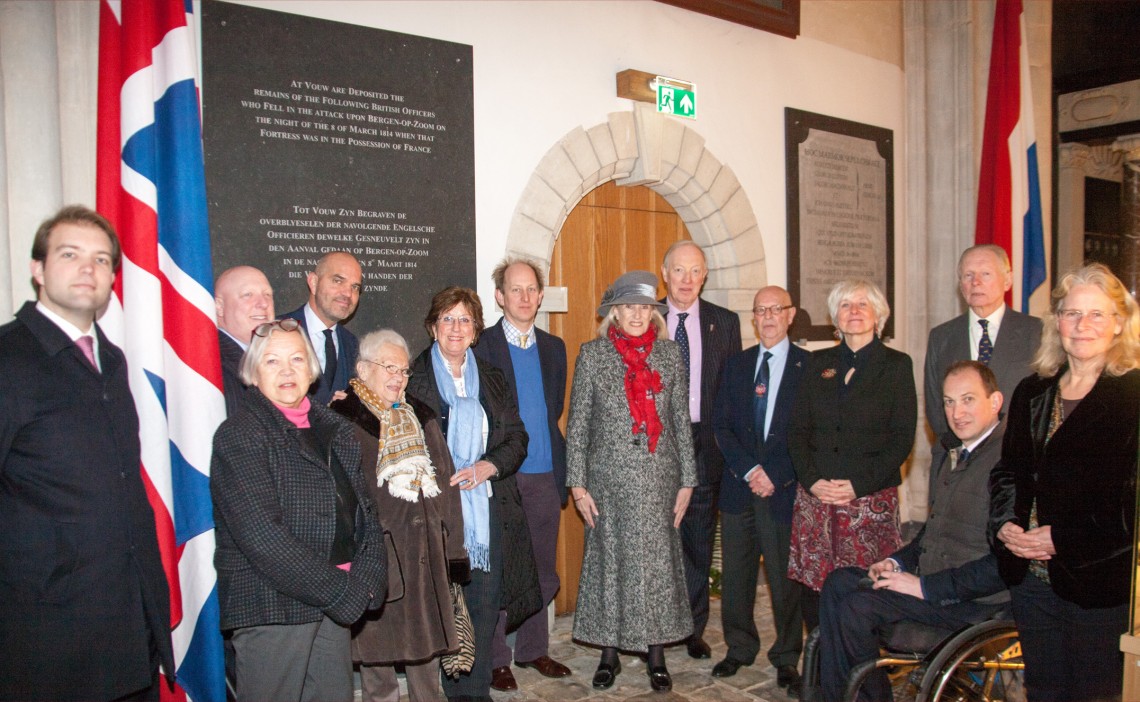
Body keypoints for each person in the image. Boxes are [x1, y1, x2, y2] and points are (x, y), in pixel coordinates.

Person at [0, 206, 174, 701]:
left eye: (102, 260)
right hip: (45, 642)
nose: (88, 270)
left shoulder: (112, 362)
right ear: (38, 269)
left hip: (127, 631)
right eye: (71, 255)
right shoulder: (8, 359)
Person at [211, 318, 386, 702]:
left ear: (311, 370)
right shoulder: (239, 435)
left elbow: (366, 515)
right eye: (272, 361)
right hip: (274, 607)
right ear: (253, 373)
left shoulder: (335, 429)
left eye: (296, 359)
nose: (287, 370)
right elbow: (263, 538)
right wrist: (343, 592)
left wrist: (368, 579)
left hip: (335, 604)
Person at [990, 263, 1140, 701]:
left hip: (1096, 584)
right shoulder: (1032, 390)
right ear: (1057, 323)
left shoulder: (1132, 396)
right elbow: (1008, 472)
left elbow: (1132, 504)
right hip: (1031, 580)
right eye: (1072, 313)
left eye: (1097, 314)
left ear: (1118, 324)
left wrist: (1062, 539)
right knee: (1043, 691)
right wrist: (1003, 523)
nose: (1083, 325)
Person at [819, 361, 1010, 702]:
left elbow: (1003, 567)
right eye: (949, 402)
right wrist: (896, 563)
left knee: (858, 607)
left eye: (967, 400)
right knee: (838, 583)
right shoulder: (959, 454)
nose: (956, 412)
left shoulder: (1007, 463)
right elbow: (930, 535)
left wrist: (922, 586)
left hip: (972, 604)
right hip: (937, 585)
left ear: (995, 402)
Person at [405, 286, 541, 702]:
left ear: (476, 329)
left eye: (465, 319)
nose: (456, 328)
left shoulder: (494, 378)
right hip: (438, 516)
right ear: (432, 327)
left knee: (482, 610)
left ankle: (474, 693)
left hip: (488, 514)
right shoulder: (413, 379)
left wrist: (488, 465)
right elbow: (406, 448)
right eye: (447, 319)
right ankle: (448, 691)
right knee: (445, 610)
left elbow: (518, 438)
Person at [567, 270, 698, 693]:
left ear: (654, 314)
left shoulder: (670, 355)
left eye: (645, 307)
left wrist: (688, 481)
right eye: (629, 307)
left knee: (656, 568)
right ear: (615, 313)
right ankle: (609, 655)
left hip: (662, 479)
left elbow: (679, 421)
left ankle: (656, 655)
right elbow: (579, 424)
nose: (638, 314)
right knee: (611, 564)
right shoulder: (592, 355)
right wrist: (577, 484)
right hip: (607, 482)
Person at [331, 329, 468, 702]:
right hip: (378, 559)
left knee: (426, 655)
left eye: (404, 371)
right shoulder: (342, 419)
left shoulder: (419, 415)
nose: (397, 377)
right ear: (362, 369)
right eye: (388, 367)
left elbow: (446, 485)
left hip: (425, 556)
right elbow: (338, 500)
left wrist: (453, 550)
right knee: (378, 662)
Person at [787, 279, 917, 631]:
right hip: (818, 502)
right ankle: (819, 671)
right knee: (815, 590)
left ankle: (862, 672)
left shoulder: (897, 365)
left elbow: (902, 439)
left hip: (867, 503)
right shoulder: (818, 363)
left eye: (863, 304)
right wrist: (812, 481)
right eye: (845, 305)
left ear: (879, 315)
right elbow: (797, 430)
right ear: (835, 318)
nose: (854, 311)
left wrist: (857, 485)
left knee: (865, 591)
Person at [474, 257, 572, 692]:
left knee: (542, 571)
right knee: (500, 572)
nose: (525, 297)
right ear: (500, 296)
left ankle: (533, 649)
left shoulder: (554, 348)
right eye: (516, 289)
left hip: (546, 473)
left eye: (532, 289)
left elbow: (554, 410)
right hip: (502, 480)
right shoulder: (483, 347)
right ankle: (497, 657)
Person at [711, 286, 809, 697]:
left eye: (776, 309)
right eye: (760, 310)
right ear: (753, 318)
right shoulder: (736, 366)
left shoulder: (810, 367)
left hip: (783, 491)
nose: (768, 316)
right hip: (739, 488)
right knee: (736, 575)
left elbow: (809, 434)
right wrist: (750, 469)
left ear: (790, 315)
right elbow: (722, 426)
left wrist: (776, 473)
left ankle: (786, 656)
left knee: (786, 579)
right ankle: (739, 646)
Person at [659, 240, 742, 659]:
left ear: (704, 276)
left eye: (695, 271)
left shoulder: (725, 323)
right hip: (655, 448)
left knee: (697, 540)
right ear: (665, 273)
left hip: (704, 445)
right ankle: (654, 624)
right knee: (655, 540)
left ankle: (692, 629)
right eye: (679, 271)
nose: (687, 280)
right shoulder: (645, 317)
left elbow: (732, 392)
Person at [924, 245, 1040, 467]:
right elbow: (935, 406)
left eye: (985, 274)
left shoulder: (1037, 333)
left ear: (1007, 280)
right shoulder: (941, 337)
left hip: (1017, 465)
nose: (975, 282)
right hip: (958, 466)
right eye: (968, 275)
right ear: (960, 285)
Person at [281, 251, 363, 404]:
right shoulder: (277, 333)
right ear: (313, 283)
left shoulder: (352, 345)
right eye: (338, 281)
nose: (347, 293)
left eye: (355, 287)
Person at [216, 265, 275, 415]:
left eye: (267, 294)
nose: (263, 303)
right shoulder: (211, 366)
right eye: (248, 295)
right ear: (219, 307)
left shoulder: (277, 357)